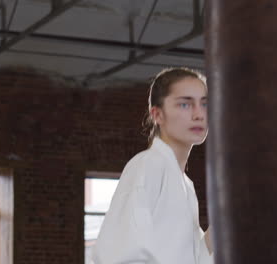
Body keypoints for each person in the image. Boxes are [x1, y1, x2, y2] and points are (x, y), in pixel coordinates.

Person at [91, 67, 213, 264]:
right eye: (185, 104)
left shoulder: (185, 185)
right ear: (157, 115)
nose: (199, 114)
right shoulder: (148, 165)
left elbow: (193, 258)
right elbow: (118, 255)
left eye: (205, 104)